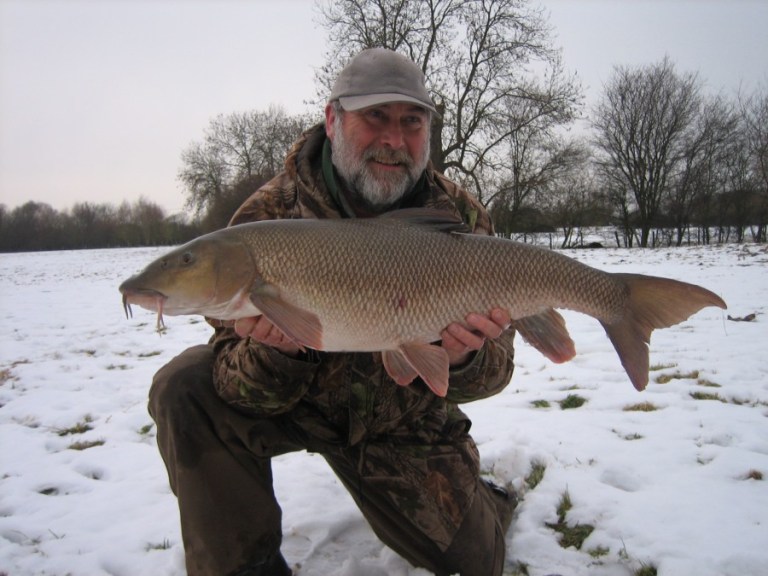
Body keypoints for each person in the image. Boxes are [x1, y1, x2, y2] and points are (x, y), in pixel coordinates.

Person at [149, 47, 518, 576]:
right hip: (298, 405)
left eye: (410, 122)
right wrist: (279, 355)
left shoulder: (457, 218)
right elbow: (233, 381)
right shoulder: (264, 221)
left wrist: (462, 359)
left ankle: (486, 503)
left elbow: (495, 373)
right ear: (333, 118)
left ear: (428, 133)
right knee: (184, 385)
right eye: (375, 117)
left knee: (479, 562)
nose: (393, 140)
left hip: (400, 422)